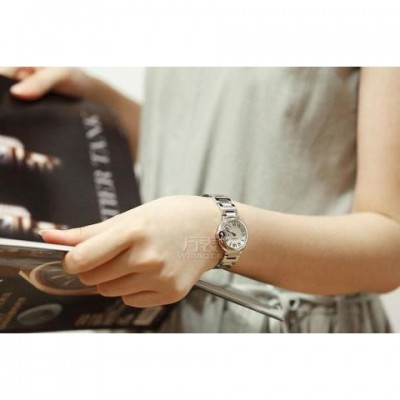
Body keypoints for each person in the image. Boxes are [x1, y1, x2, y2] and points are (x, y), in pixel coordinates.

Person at [0, 67, 398, 333]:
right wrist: (100, 105)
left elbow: (390, 245)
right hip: (166, 321)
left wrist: (214, 230)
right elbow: (238, 145)